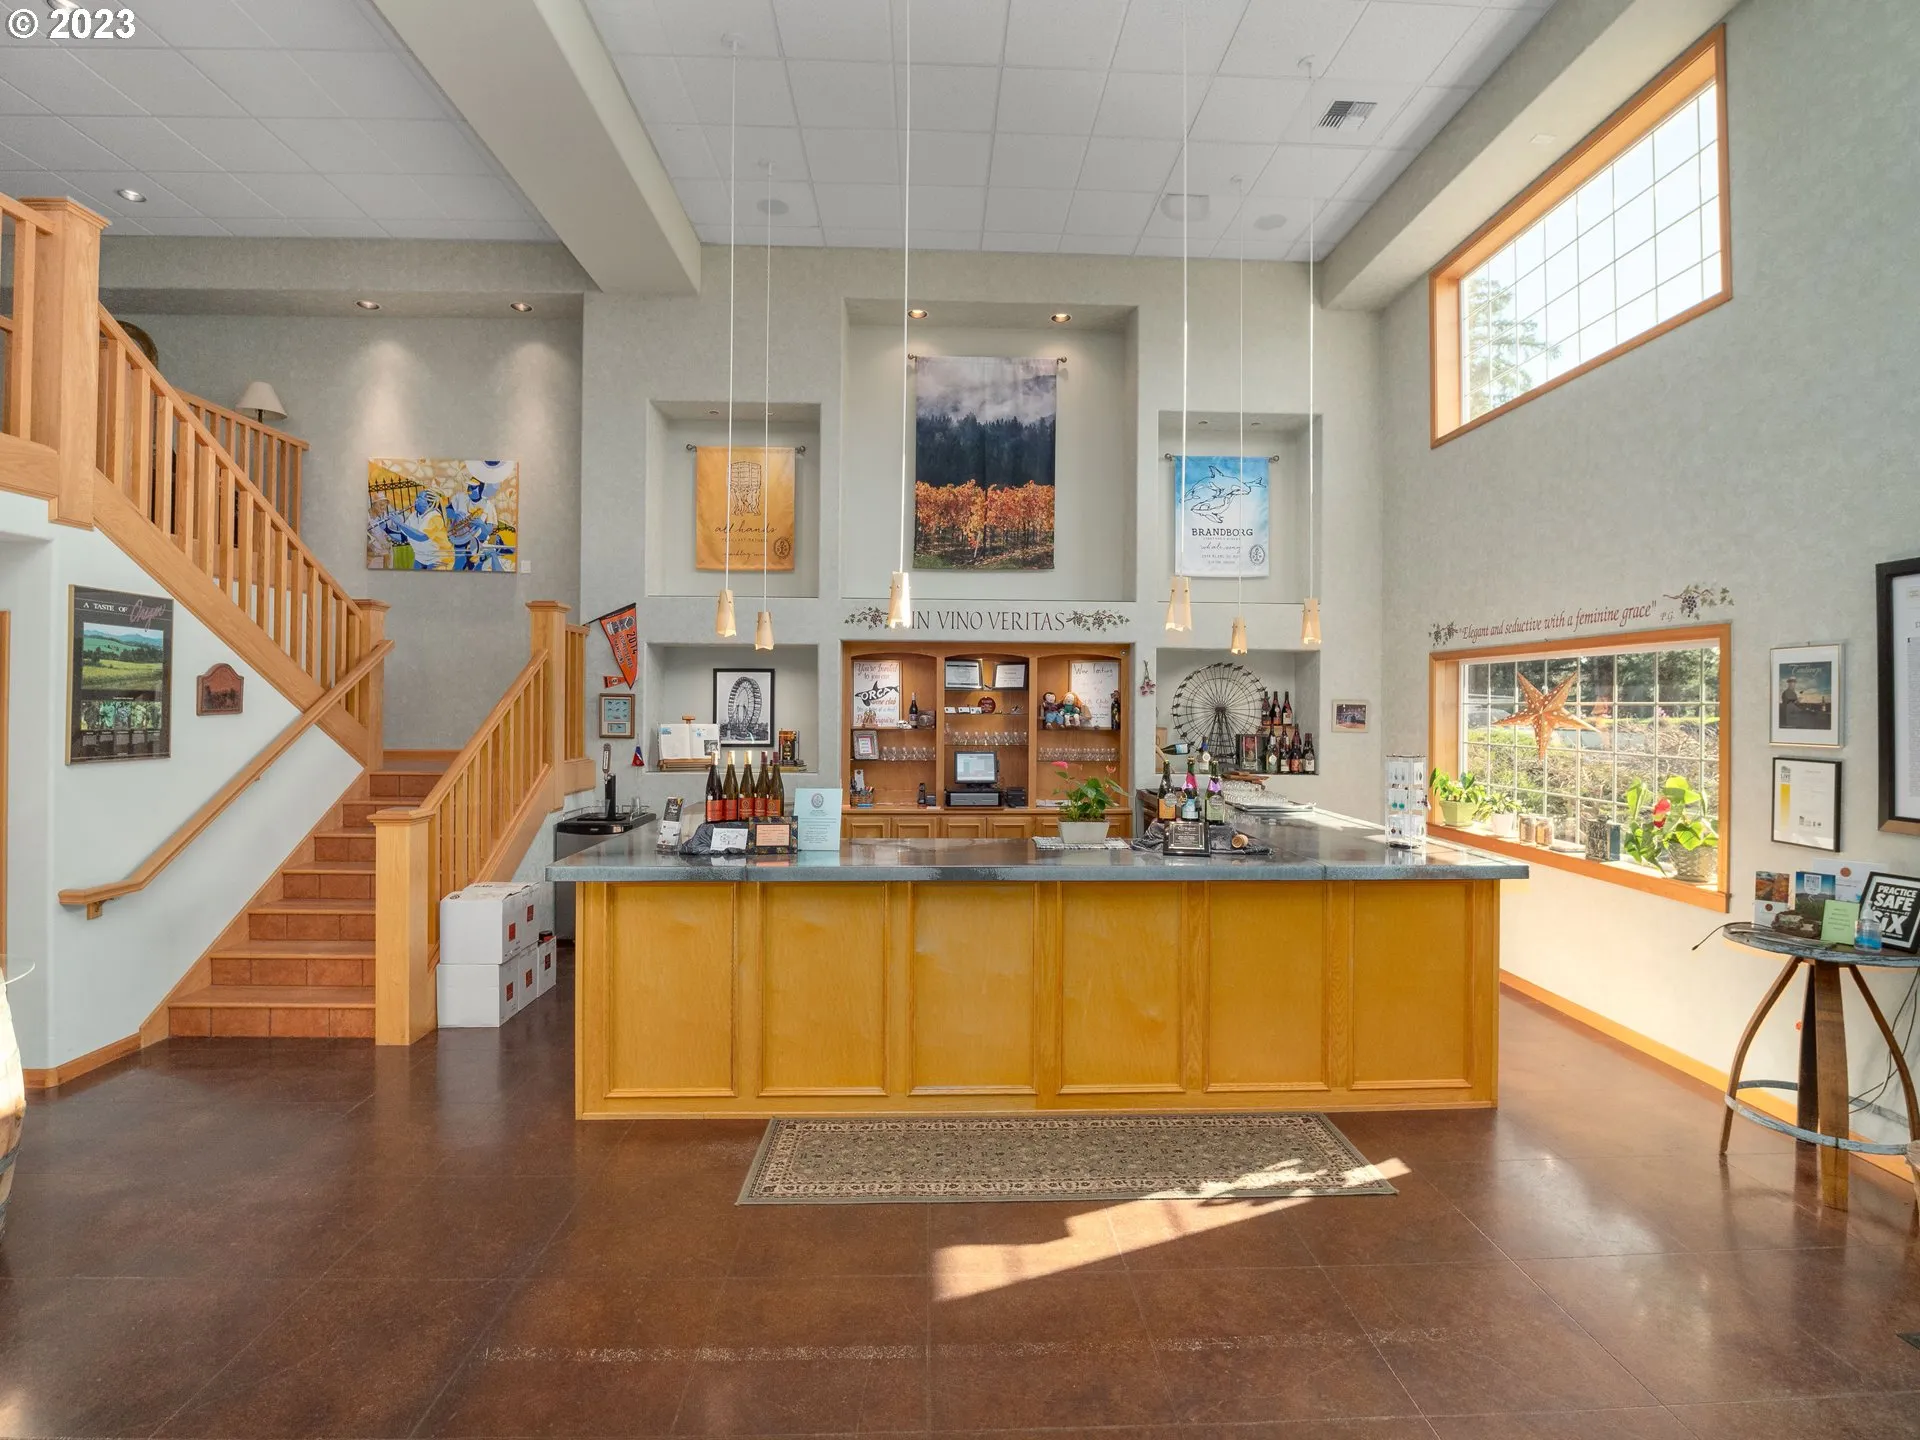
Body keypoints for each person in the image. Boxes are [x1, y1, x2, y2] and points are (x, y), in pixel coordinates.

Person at [373, 490, 453, 569]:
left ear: (429, 504)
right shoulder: (413, 516)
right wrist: (386, 529)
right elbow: (403, 537)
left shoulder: (435, 516)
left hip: (439, 559)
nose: (416, 500)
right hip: (420, 560)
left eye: (419, 498)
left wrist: (399, 523)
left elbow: (421, 537)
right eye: (416, 497)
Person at [446, 473, 503, 571]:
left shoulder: (488, 506)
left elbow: (489, 530)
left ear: (481, 489)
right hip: (460, 541)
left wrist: (481, 524)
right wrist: (456, 515)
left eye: (473, 487)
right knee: (458, 568)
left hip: (478, 544)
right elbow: (447, 511)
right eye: (469, 486)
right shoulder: (460, 498)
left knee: (476, 570)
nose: (469, 489)